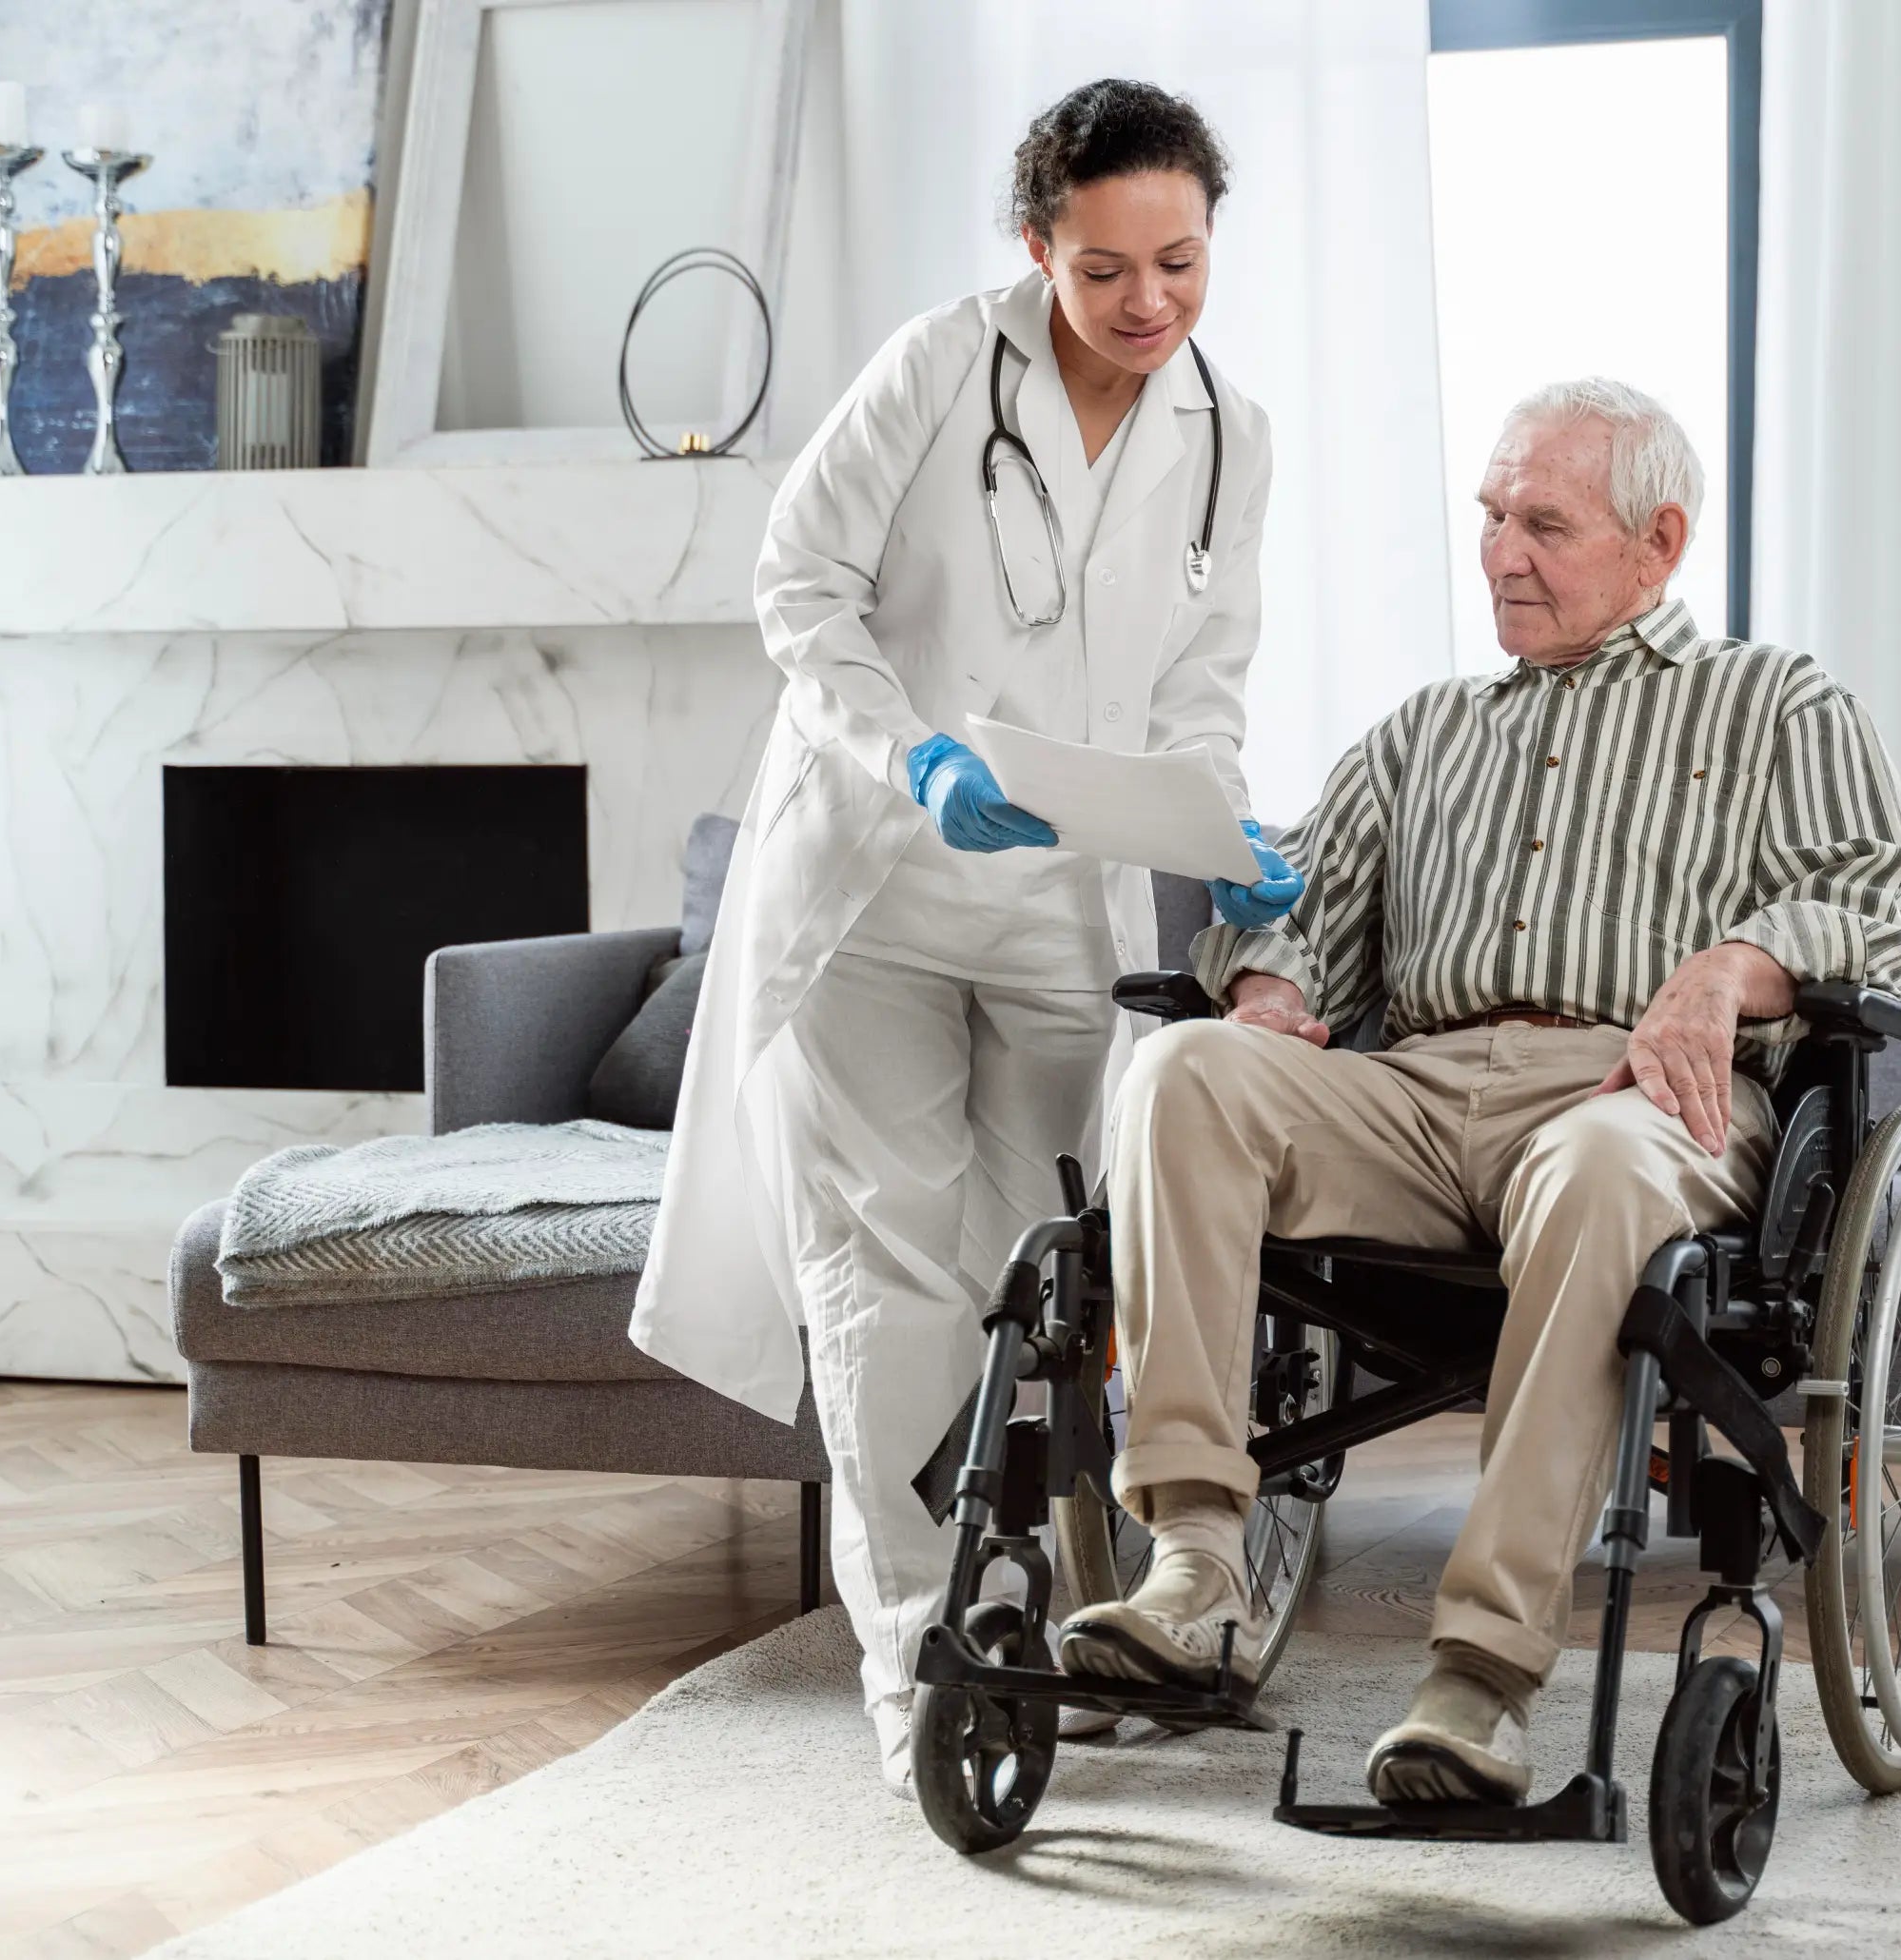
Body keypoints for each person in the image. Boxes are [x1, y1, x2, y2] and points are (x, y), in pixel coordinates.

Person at [1056, 378, 1901, 1805]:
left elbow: (1880, 889)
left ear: (1658, 544)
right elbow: (1294, 894)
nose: (1502, 554)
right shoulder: (1426, 731)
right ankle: (1196, 1566)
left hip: (1633, 1097)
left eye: (1544, 523)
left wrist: (1734, 963)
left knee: (1598, 1169)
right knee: (1186, 1071)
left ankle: (1479, 1678)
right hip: (1414, 1090)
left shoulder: (1777, 700)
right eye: (1490, 518)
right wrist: (1271, 982)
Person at [632, 79, 1302, 1793]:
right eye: (1104, 270)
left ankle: (1050, 1602)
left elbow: (1201, 689)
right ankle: (918, 1653)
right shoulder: (940, 367)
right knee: (892, 1277)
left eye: (1180, 262)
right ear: (1037, 248)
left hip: (1054, 895)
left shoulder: (1229, 433)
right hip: (871, 873)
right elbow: (799, 586)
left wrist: (1224, 840)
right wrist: (909, 751)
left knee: (1046, 1268)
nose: (1147, 304)